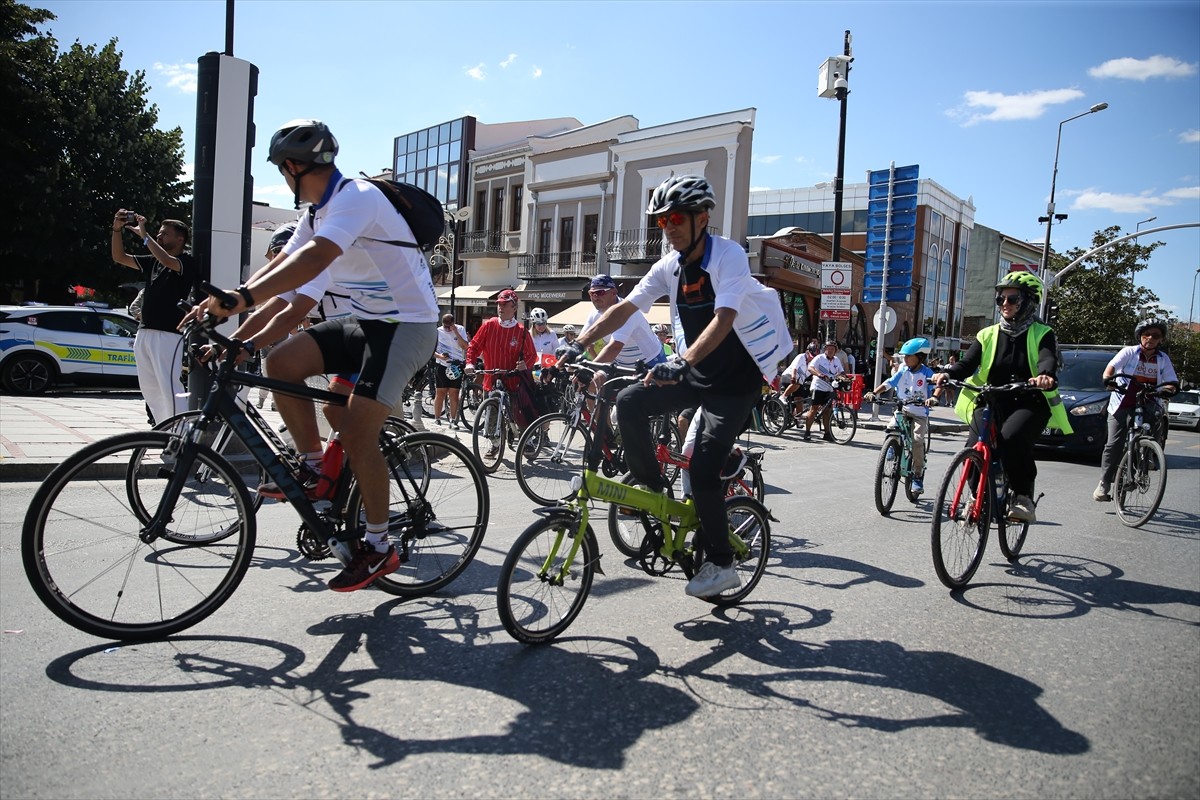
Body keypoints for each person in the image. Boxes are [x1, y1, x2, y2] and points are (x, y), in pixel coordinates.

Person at [195, 119, 439, 593]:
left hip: (408, 325)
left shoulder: (357, 198)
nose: (284, 180)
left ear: (292, 167)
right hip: (367, 324)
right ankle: (313, 468)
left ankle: (379, 544)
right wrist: (240, 333)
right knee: (281, 362)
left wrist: (240, 297)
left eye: (282, 172)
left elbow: (313, 260)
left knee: (356, 427)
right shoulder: (314, 216)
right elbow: (287, 287)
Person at [560, 175, 790, 599]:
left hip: (736, 383)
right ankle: (649, 487)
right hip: (696, 373)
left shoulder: (729, 256)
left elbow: (724, 317)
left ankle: (722, 563)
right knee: (628, 401)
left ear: (703, 217)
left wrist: (679, 362)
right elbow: (627, 308)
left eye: (677, 218)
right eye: (662, 221)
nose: (669, 227)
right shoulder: (668, 266)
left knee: (702, 468)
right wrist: (578, 343)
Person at [934, 270, 1070, 523]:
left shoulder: (1043, 333)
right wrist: (947, 373)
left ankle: (1022, 497)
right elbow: (967, 363)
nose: (1004, 304)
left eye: (1012, 299)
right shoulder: (987, 334)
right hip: (992, 400)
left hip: (1029, 401)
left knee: (1012, 439)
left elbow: (1047, 359)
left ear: (1028, 301)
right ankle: (977, 498)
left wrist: (1045, 375)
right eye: (1000, 299)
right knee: (973, 449)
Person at [111, 211, 197, 427]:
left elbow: (168, 260)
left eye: (164, 234)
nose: (159, 237)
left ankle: (183, 435)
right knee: (150, 390)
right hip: (144, 331)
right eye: (158, 234)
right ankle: (166, 434)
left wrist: (144, 236)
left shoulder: (186, 261)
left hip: (168, 334)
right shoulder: (152, 261)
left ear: (180, 239)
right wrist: (116, 230)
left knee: (169, 387)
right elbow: (119, 257)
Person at [1093, 318, 1179, 501]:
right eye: (1146, 334)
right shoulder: (1129, 352)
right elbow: (1111, 368)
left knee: (1156, 423)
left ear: (1160, 340)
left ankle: (1145, 459)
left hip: (1148, 400)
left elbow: (1172, 381)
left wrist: (1169, 389)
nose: (1150, 338)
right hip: (1123, 400)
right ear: (1140, 336)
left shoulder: (1163, 359)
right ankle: (1104, 483)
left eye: (1155, 335)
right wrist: (1108, 379)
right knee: (1113, 444)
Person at [464, 288, 537, 454]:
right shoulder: (489, 325)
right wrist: (469, 363)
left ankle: (528, 438)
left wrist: (525, 364)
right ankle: (495, 442)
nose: (500, 308)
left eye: (505, 304)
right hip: (491, 377)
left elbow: (531, 355)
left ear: (514, 307)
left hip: (513, 380)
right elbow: (474, 346)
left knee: (519, 412)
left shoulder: (521, 331)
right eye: (499, 304)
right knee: (491, 410)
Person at [864, 337, 939, 493]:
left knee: (917, 440)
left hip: (919, 413)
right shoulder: (903, 369)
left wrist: (934, 398)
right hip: (902, 409)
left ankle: (917, 476)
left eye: (908, 356)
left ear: (920, 357)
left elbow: (938, 386)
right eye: (904, 356)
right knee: (891, 427)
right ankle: (891, 447)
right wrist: (874, 392)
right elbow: (889, 382)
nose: (905, 359)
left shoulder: (927, 373)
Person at [804, 340, 846, 442]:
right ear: (825, 349)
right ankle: (807, 432)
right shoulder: (819, 358)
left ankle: (827, 434)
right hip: (818, 387)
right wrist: (818, 374)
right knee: (813, 409)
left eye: (832, 349)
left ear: (835, 350)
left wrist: (845, 378)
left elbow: (841, 372)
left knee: (827, 411)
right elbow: (810, 367)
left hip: (829, 388)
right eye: (828, 349)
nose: (830, 350)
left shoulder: (836, 360)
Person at [433, 313, 470, 430]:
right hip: (442, 365)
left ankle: (453, 420)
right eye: (445, 327)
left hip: (456, 365)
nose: (447, 329)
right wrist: (439, 356)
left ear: (453, 324)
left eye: (449, 326)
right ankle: (437, 418)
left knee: (454, 394)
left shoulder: (460, 329)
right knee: (440, 393)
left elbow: (465, 346)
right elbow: (430, 350)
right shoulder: (438, 331)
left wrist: (456, 333)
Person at [781, 341, 819, 411]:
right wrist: (793, 377)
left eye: (815, 357)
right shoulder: (801, 357)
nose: (813, 358)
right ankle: (783, 397)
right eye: (812, 356)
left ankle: (796, 418)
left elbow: (814, 374)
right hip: (788, 376)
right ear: (807, 352)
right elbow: (794, 368)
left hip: (799, 382)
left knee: (799, 401)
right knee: (797, 384)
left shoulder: (813, 364)